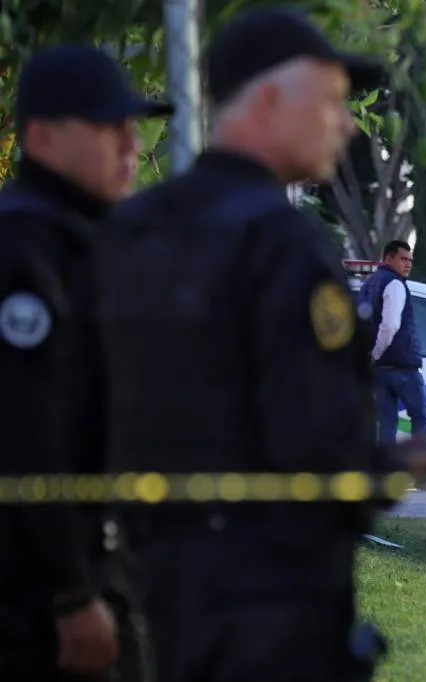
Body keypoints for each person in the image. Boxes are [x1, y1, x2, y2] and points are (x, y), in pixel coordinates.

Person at [91, 8, 426, 682]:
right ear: (272, 100)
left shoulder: (131, 228)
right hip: (272, 595)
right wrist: (392, 464)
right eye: (333, 101)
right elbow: (310, 440)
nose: (344, 123)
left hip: (157, 581)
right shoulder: (280, 241)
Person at [0, 44, 171, 681]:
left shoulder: (84, 239)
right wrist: (70, 594)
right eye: (106, 126)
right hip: (40, 591)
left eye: (131, 124)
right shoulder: (25, 248)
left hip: (101, 564)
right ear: (41, 136)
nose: (130, 142)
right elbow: (26, 435)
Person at [362, 239, 426, 492]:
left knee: (387, 422)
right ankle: (424, 478)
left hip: (379, 370)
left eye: (410, 260)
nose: (408, 264)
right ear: (388, 258)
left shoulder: (369, 284)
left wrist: (371, 357)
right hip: (401, 366)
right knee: (420, 418)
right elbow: (389, 325)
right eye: (403, 259)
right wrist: (376, 353)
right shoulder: (395, 285)